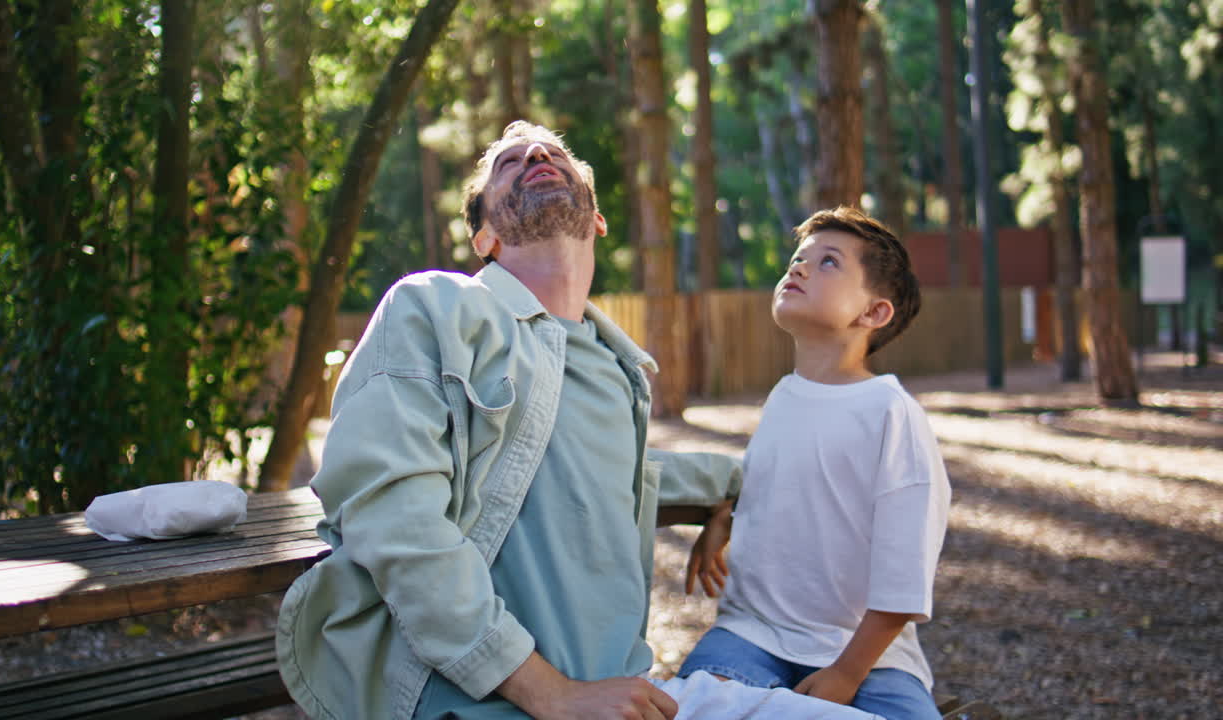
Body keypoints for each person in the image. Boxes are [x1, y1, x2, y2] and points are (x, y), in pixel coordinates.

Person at [275, 121, 880, 720]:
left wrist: (736, 488)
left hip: (628, 693)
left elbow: (622, 473)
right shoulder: (433, 308)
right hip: (474, 699)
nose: (536, 152)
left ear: (596, 220)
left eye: (555, 154)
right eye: (509, 164)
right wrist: (548, 692)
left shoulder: (618, 366)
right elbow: (391, 515)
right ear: (484, 236)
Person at [677, 207, 951, 720]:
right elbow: (777, 481)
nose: (798, 268)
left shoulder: (892, 414)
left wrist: (847, 674)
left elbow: (905, 571)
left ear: (874, 313)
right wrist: (724, 518)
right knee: (688, 708)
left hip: (868, 655)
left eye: (828, 263)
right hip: (751, 634)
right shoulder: (783, 396)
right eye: (798, 258)